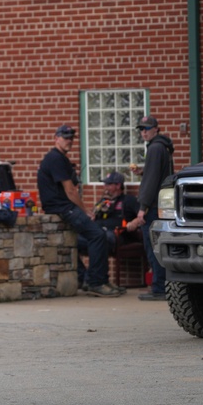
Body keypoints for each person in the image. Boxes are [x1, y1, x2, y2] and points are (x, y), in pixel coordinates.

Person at [37, 124, 124, 297]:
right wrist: (86, 211)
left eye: (71, 138)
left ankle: (94, 279)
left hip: (63, 206)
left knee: (92, 238)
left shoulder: (61, 159)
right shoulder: (55, 158)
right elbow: (70, 191)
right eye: (65, 137)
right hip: (61, 207)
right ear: (56, 138)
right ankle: (96, 283)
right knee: (98, 235)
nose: (68, 141)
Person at [126, 116, 174, 301]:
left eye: (147, 128)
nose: (143, 132)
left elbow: (151, 181)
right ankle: (161, 285)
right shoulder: (163, 147)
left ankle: (159, 287)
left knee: (153, 247)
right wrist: (142, 171)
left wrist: (142, 207)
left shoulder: (154, 148)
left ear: (156, 129)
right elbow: (157, 173)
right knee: (159, 245)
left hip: (153, 206)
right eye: (141, 129)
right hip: (162, 204)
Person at [78, 171, 140, 288]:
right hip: (96, 234)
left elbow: (142, 215)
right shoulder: (103, 202)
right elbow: (92, 217)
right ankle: (83, 276)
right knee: (74, 241)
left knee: (101, 240)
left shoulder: (128, 200)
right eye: (105, 184)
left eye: (108, 184)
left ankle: (92, 280)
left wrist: (134, 223)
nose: (105, 187)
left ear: (118, 185)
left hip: (116, 235)